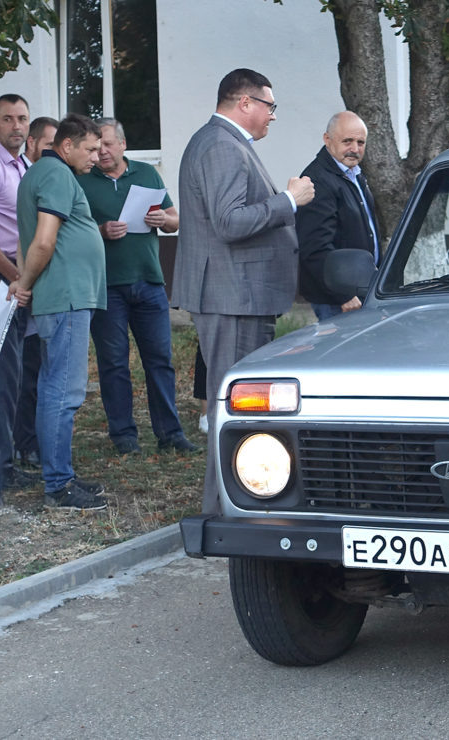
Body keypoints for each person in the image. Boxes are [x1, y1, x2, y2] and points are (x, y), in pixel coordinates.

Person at [172, 68, 314, 513]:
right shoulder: (220, 144)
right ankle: (223, 511)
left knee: (238, 406)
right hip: (232, 296)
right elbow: (230, 222)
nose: (273, 116)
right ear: (245, 103)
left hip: (240, 294)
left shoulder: (226, 143)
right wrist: (288, 200)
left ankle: (238, 501)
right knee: (229, 407)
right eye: (270, 107)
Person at [77, 117, 196, 456]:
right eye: (96, 146)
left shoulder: (147, 174)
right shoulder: (82, 180)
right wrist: (101, 231)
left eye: (108, 144)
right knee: (113, 363)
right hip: (106, 286)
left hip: (149, 282)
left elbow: (175, 221)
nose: (101, 152)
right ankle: (124, 436)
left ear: (124, 144)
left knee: (159, 360)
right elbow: (73, 230)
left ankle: (170, 433)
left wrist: (163, 219)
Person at [8, 114, 107, 511]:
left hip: (67, 296)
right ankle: (58, 486)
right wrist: (25, 283)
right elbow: (43, 242)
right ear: (66, 145)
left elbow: (26, 238)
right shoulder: (56, 174)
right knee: (62, 393)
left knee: (57, 389)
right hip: (64, 296)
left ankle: (60, 475)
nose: (97, 157)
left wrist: (25, 278)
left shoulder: (42, 172)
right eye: (90, 149)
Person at [0, 94, 37, 505]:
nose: (16, 126)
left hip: (16, 276)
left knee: (13, 375)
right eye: (7, 119)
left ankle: (4, 465)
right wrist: (15, 277)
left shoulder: (23, 165)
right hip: (0, 278)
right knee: (0, 378)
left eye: (22, 118)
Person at [296, 111, 379, 320]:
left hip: (362, 293)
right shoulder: (318, 181)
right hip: (339, 301)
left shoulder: (354, 174)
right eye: (347, 141)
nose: (355, 149)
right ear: (327, 139)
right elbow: (314, 248)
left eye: (361, 142)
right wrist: (343, 294)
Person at [12, 116, 58, 470]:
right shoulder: (20, 174)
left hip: (32, 275)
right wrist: (20, 277)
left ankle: (29, 441)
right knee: (23, 370)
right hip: (16, 276)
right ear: (32, 144)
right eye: (49, 145)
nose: (56, 152)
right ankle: (22, 444)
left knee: (34, 365)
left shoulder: (43, 174)